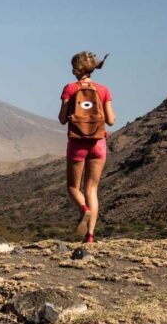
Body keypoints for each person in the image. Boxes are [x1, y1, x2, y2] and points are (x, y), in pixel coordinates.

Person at [58, 52, 116, 244]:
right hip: (98, 143)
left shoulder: (70, 88)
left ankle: (84, 210)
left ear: (76, 69)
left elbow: (61, 119)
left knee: (73, 187)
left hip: (77, 143)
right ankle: (90, 236)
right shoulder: (103, 90)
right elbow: (111, 120)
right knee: (92, 189)